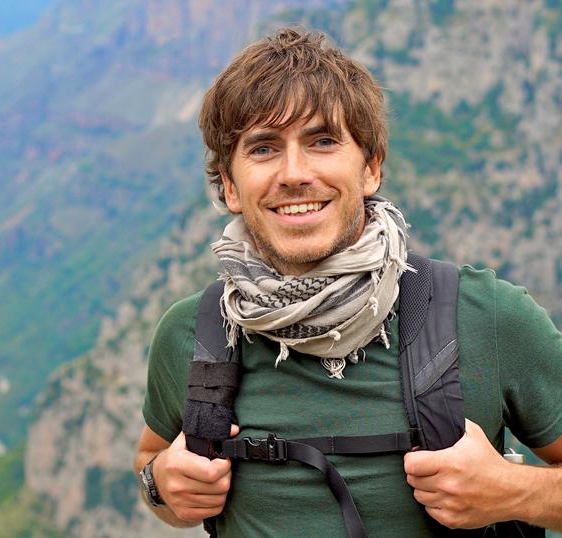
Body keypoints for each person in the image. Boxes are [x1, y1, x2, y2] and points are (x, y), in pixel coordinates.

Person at [133, 28, 562, 537]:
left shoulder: (486, 316)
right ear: (229, 185)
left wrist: (516, 491)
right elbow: (153, 464)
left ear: (370, 169)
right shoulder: (192, 333)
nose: (294, 173)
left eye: (322, 141)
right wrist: (160, 483)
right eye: (264, 148)